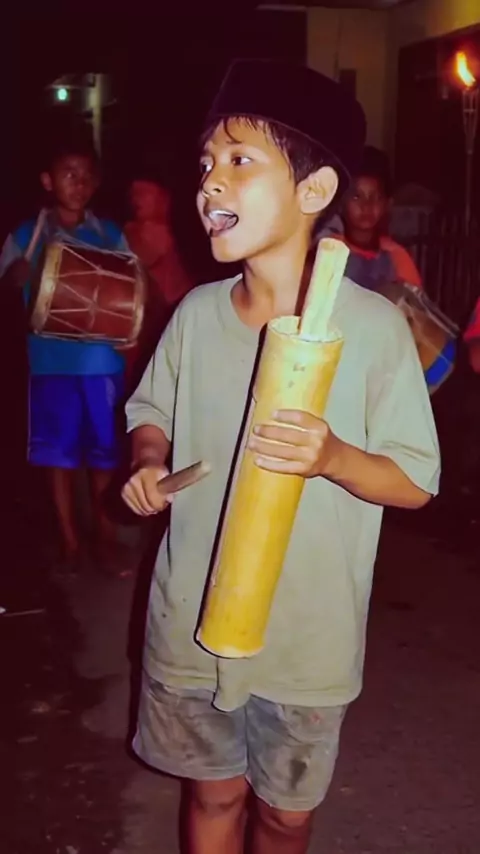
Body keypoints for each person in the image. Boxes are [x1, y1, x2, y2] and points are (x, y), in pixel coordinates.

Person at [122, 60, 440, 854]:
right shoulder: (197, 315)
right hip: (191, 617)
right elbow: (151, 412)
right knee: (213, 797)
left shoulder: (374, 330)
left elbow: (414, 482)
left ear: (314, 190)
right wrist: (148, 460)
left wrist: (332, 456)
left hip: (307, 637)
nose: (210, 182)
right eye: (206, 162)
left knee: (284, 817)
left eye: (240, 160)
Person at [0, 137, 128, 573]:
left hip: (102, 361)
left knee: (104, 453)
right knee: (58, 456)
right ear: (47, 180)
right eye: (69, 173)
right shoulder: (26, 234)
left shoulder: (108, 233)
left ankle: (105, 536)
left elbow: (131, 287)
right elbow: (6, 284)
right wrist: (13, 279)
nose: (79, 182)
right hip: (50, 361)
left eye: (87, 175)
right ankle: (71, 542)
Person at [124, 171, 193, 390]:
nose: (136, 199)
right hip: (138, 317)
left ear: (164, 199)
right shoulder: (128, 230)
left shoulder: (161, 232)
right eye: (134, 193)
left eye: (144, 193)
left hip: (168, 314)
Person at [324, 146, 422, 293]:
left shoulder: (396, 256)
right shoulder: (328, 250)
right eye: (356, 197)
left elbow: (413, 302)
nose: (366, 206)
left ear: (387, 204)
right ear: (341, 202)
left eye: (376, 197)